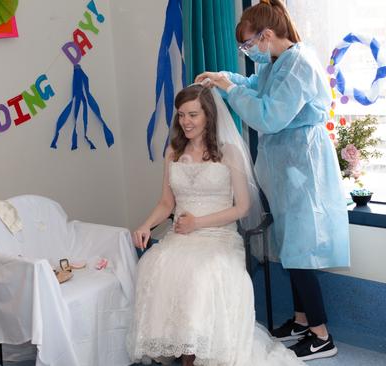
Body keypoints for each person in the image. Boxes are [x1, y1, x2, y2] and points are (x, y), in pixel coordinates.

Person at [195, 0, 349, 360]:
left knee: (301, 251)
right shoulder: (278, 62)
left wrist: (231, 91)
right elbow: (254, 84)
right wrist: (225, 79)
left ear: (266, 36)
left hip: (302, 170)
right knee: (290, 246)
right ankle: (301, 320)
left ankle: (322, 334)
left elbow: (268, 114)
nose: (248, 53)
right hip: (286, 169)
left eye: (248, 45)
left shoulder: (299, 64)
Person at [126, 84, 304, 366]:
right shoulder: (173, 152)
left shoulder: (228, 152)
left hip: (218, 237)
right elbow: (166, 203)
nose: (186, 121)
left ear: (208, 115)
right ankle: (185, 348)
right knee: (153, 263)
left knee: (201, 274)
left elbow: (242, 207)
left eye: (193, 115)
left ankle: (196, 353)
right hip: (182, 237)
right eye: (182, 115)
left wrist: (198, 222)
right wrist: (146, 225)